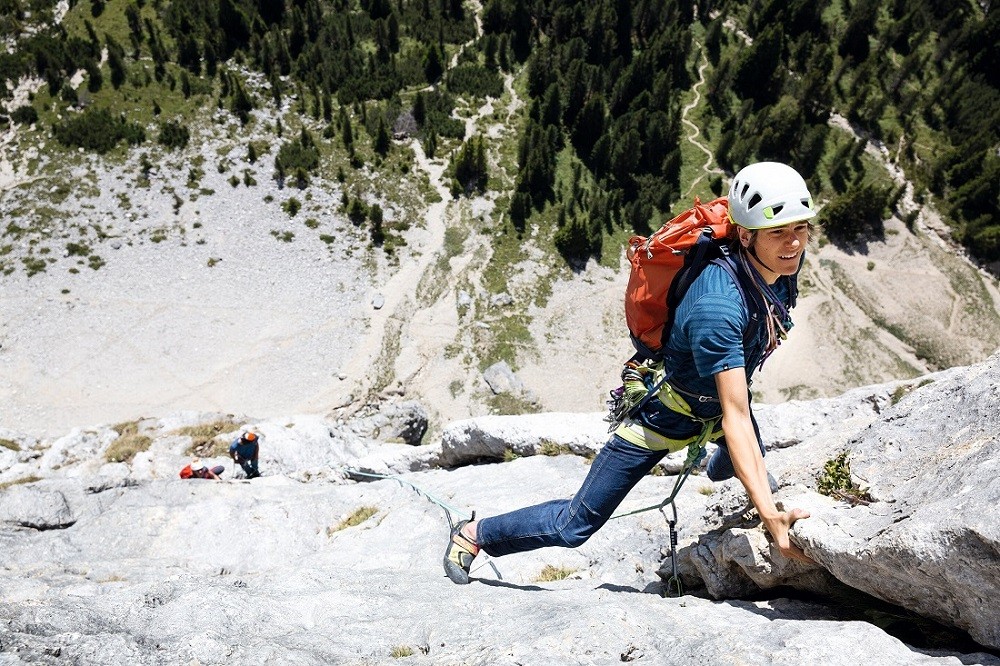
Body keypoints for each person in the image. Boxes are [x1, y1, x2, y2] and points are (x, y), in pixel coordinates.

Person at [444, 161, 817, 585]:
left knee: (747, 465)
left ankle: (720, 465)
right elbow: (736, 415)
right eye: (778, 233)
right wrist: (769, 515)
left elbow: (734, 403)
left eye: (800, 229)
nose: (793, 244)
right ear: (745, 235)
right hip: (663, 413)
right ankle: (475, 534)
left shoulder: (780, 269)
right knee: (574, 526)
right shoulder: (718, 306)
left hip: (717, 403)